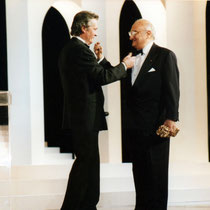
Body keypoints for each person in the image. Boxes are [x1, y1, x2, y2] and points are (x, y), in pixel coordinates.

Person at [58, 11, 135, 210]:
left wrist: (99, 59)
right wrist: (124, 66)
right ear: (83, 28)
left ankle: (87, 205)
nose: (95, 34)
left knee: (89, 165)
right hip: (84, 119)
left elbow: (94, 73)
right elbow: (101, 77)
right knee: (86, 165)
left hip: (82, 119)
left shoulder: (74, 49)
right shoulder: (79, 50)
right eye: (94, 29)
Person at [125, 19, 180, 210]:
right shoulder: (131, 58)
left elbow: (172, 89)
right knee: (140, 177)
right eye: (130, 33)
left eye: (135, 32)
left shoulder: (165, 56)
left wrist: (171, 118)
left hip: (156, 128)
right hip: (135, 129)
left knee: (156, 177)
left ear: (148, 33)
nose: (131, 36)